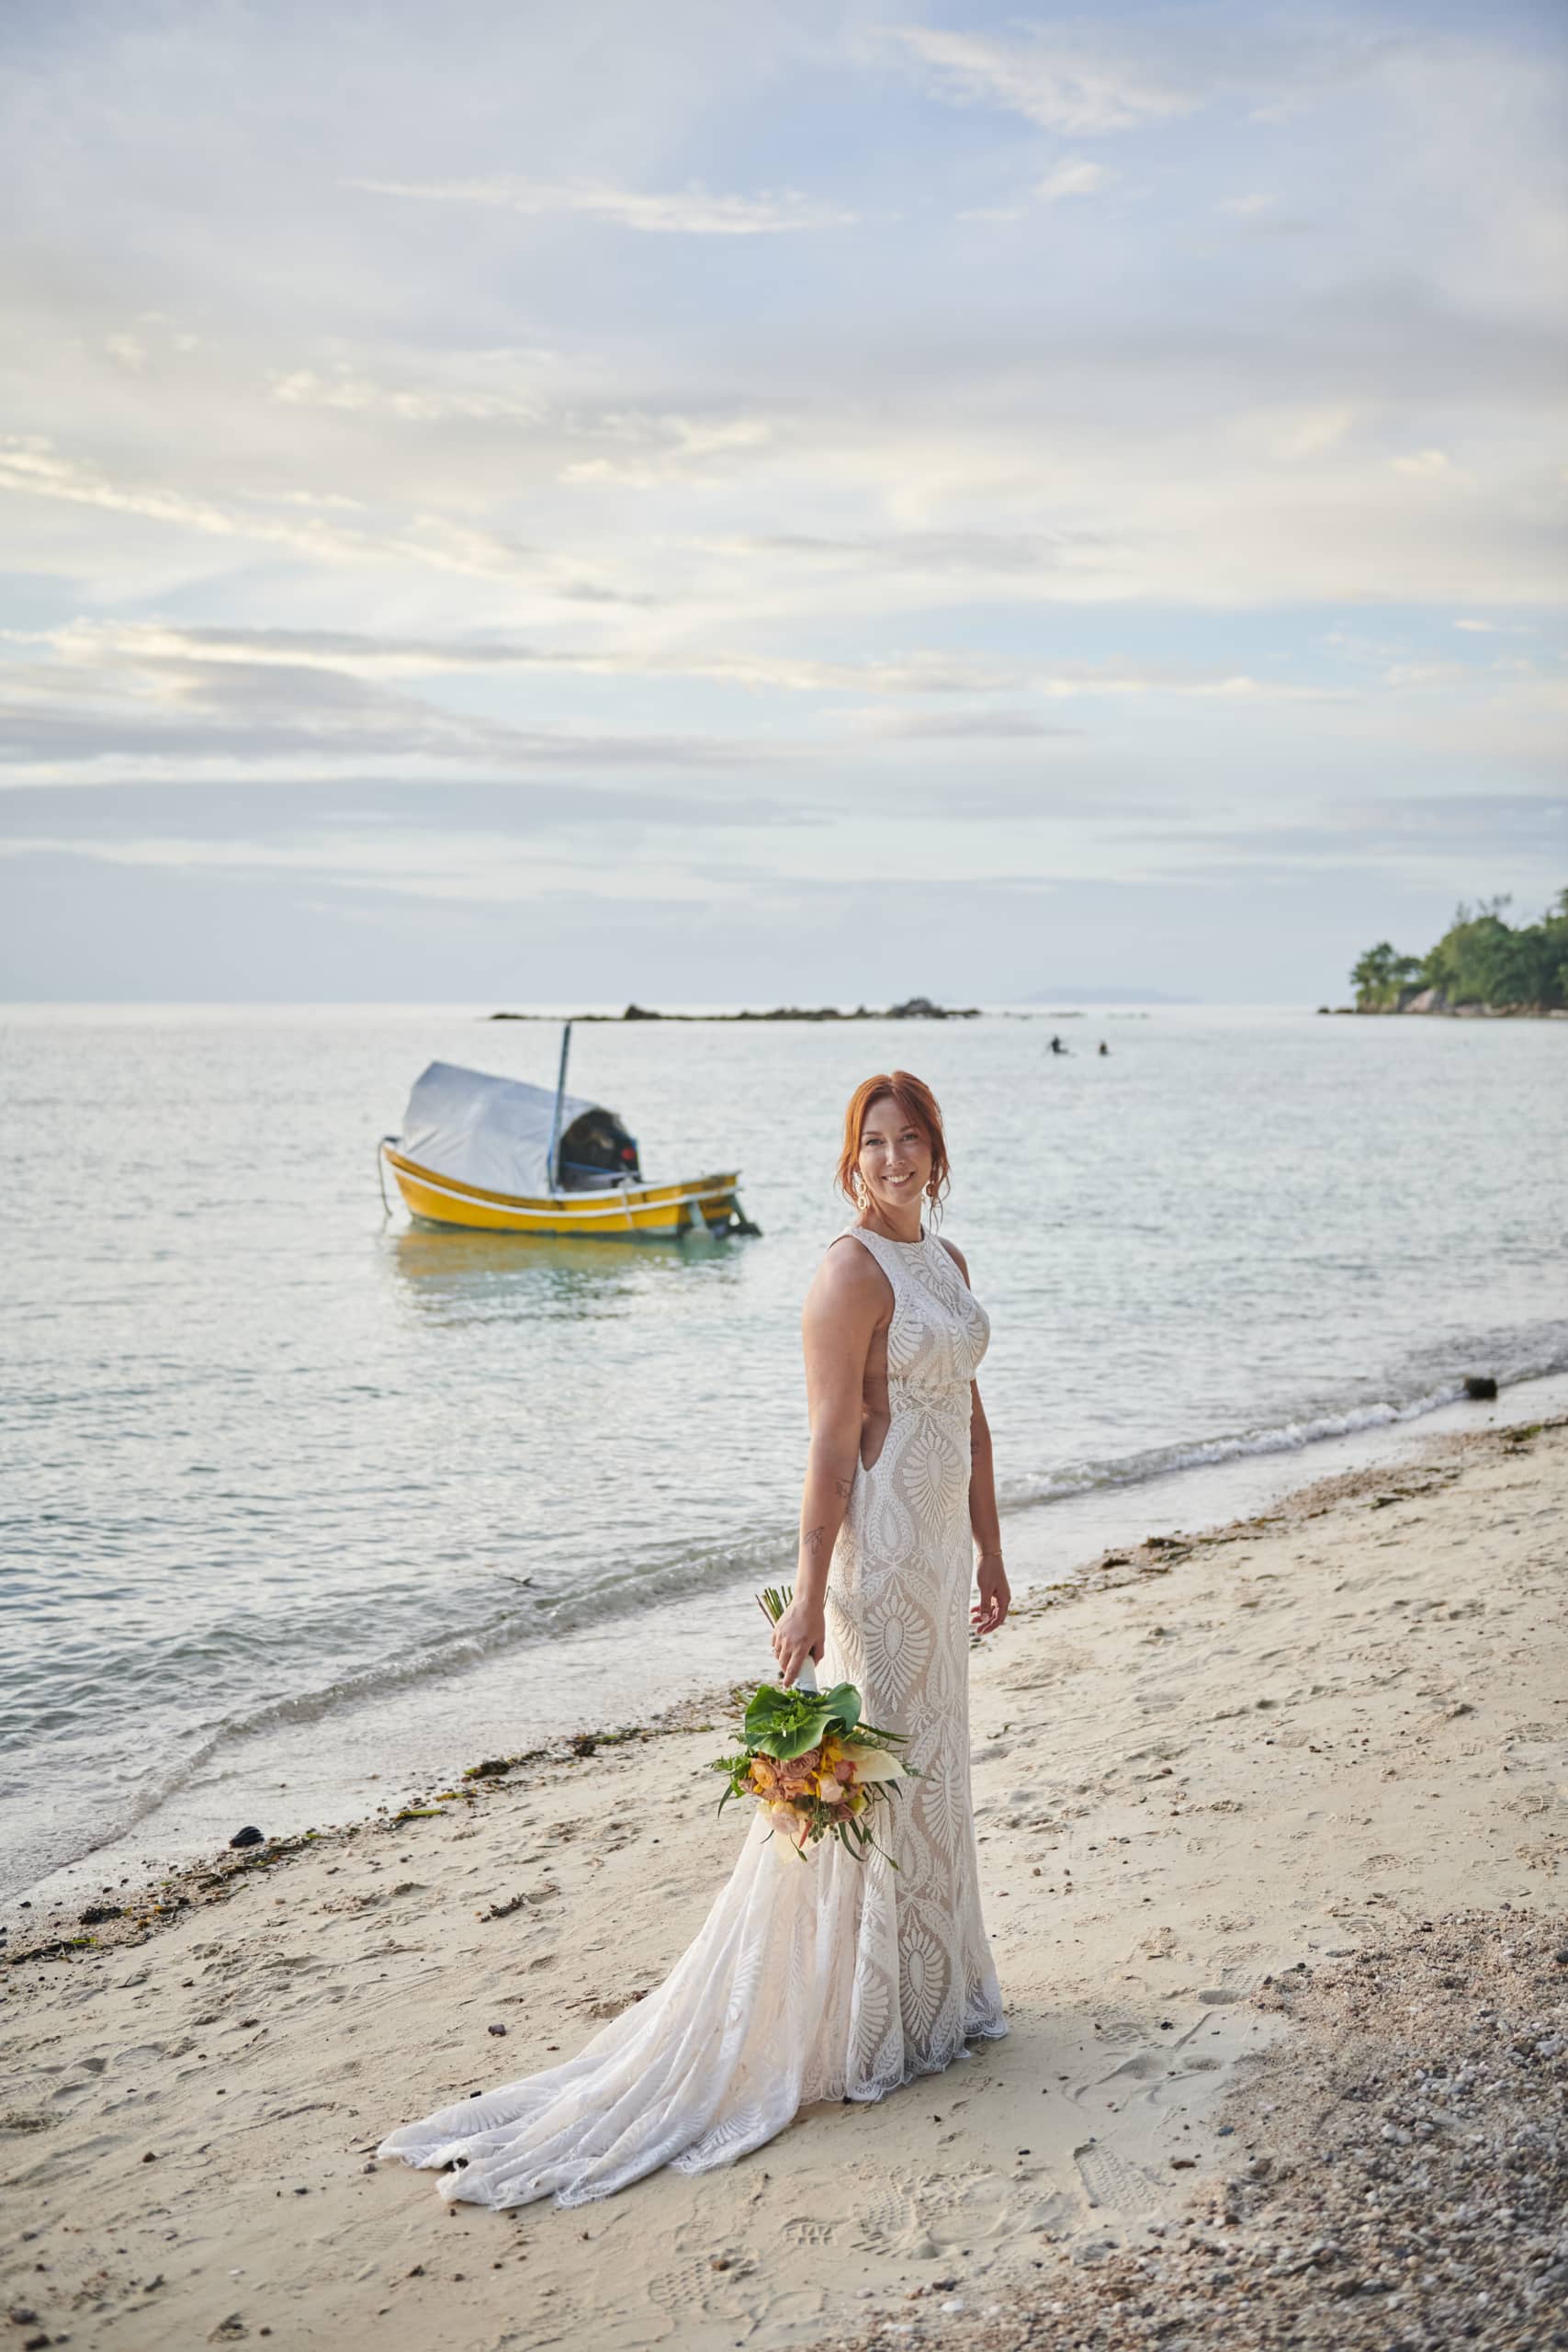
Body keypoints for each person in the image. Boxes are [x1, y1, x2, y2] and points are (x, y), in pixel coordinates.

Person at [375, 1071, 1010, 2210]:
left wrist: (993, 1550)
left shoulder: (947, 1267)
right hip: (881, 1553)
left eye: (913, 1139)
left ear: (938, 1150)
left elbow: (969, 1414)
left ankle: (936, 2001)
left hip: (943, 1559)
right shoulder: (847, 1272)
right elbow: (826, 1449)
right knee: (880, 1783)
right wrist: (810, 1600)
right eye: (877, 1141)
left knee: (937, 1773)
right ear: (851, 1155)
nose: (897, 1158)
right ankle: (869, 2028)